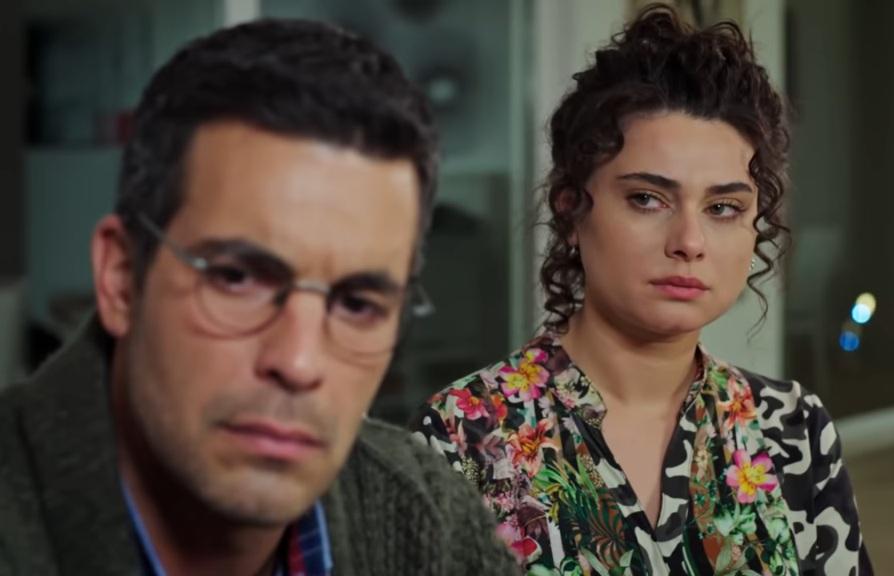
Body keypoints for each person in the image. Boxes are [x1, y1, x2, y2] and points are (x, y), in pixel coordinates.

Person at [0, 19, 519, 576]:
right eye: (237, 278)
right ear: (122, 279)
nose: (298, 362)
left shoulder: (427, 518)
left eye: (357, 304)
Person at [412, 5, 872, 575]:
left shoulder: (793, 429)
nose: (689, 241)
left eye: (723, 208)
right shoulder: (463, 435)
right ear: (571, 210)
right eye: (647, 199)